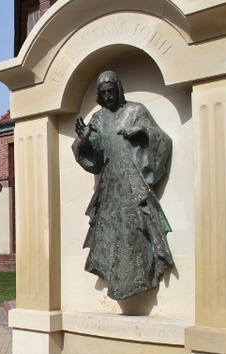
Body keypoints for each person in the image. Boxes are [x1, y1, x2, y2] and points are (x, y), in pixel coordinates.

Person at [72, 70, 174, 300]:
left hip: (132, 182)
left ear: (119, 89)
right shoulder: (98, 119)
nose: (108, 96)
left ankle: (139, 280)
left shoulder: (135, 111)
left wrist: (141, 131)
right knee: (109, 233)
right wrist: (85, 140)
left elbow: (163, 139)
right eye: (104, 92)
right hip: (110, 185)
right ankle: (117, 282)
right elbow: (94, 160)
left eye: (111, 91)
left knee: (138, 230)